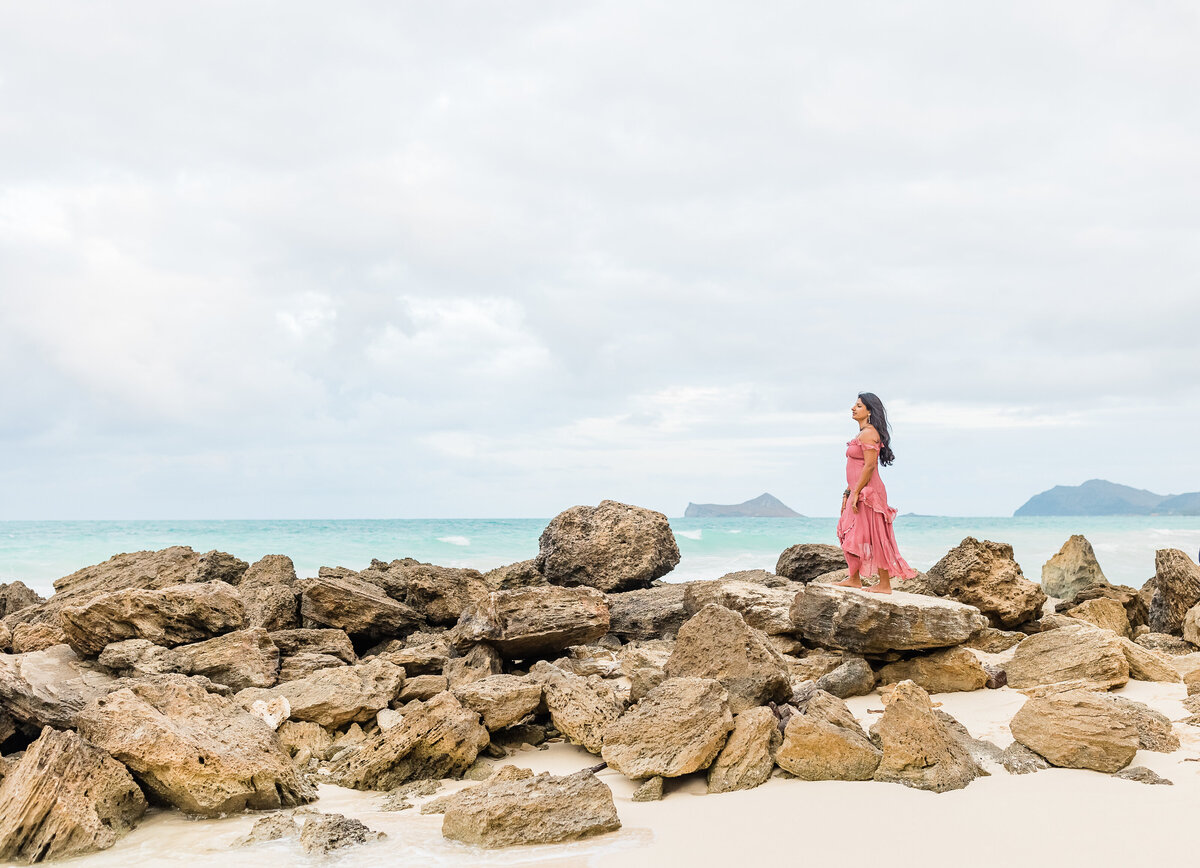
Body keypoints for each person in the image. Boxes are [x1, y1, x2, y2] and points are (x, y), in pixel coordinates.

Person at [834, 392, 917, 594]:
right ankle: (854, 578)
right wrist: (848, 491)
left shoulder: (869, 433)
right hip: (858, 490)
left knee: (875, 536)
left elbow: (870, 466)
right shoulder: (862, 434)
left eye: (859, 406)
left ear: (869, 411)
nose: (853, 408)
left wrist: (857, 493)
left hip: (869, 492)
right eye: (854, 405)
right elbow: (856, 466)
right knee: (850, 532)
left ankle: (885, 584)